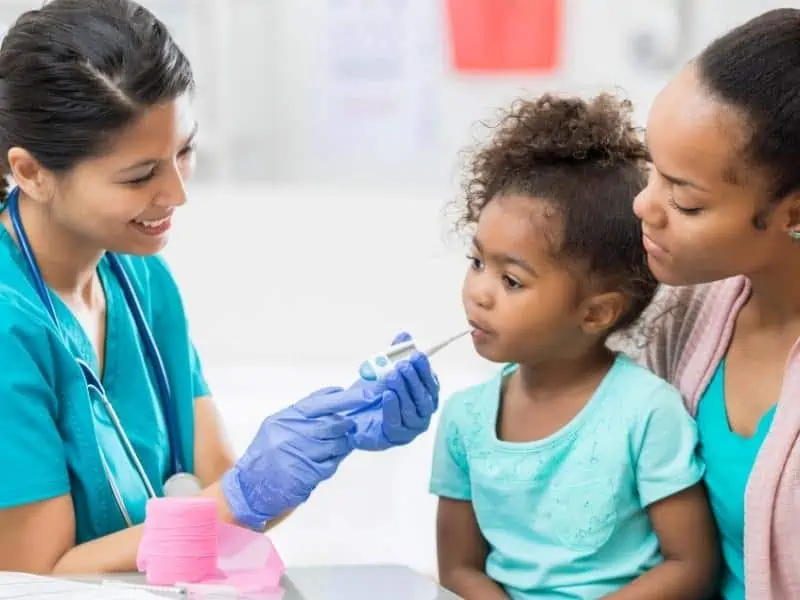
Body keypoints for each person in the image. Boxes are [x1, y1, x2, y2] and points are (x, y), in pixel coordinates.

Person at [0, 0, 439, 575]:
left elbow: (218, 495)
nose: (178, 193)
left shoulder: (142, 279)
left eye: (184, 151)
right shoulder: (11, 327)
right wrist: (242, 494)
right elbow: (33, 575)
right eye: (140, 176)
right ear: (31, 172)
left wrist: (320, 444)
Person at [429, 93, 719, 600]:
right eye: (478, 263)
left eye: (512, 280)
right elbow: (458, 568)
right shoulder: (464, 420)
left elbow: (690, 564)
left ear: (595, 313)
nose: (479, 291)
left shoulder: (647, 413)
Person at [619, 8, 800, 600]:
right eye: (651, 171)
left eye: (686, 201)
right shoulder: (687, 315)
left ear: (793, 214)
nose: (646, 206)